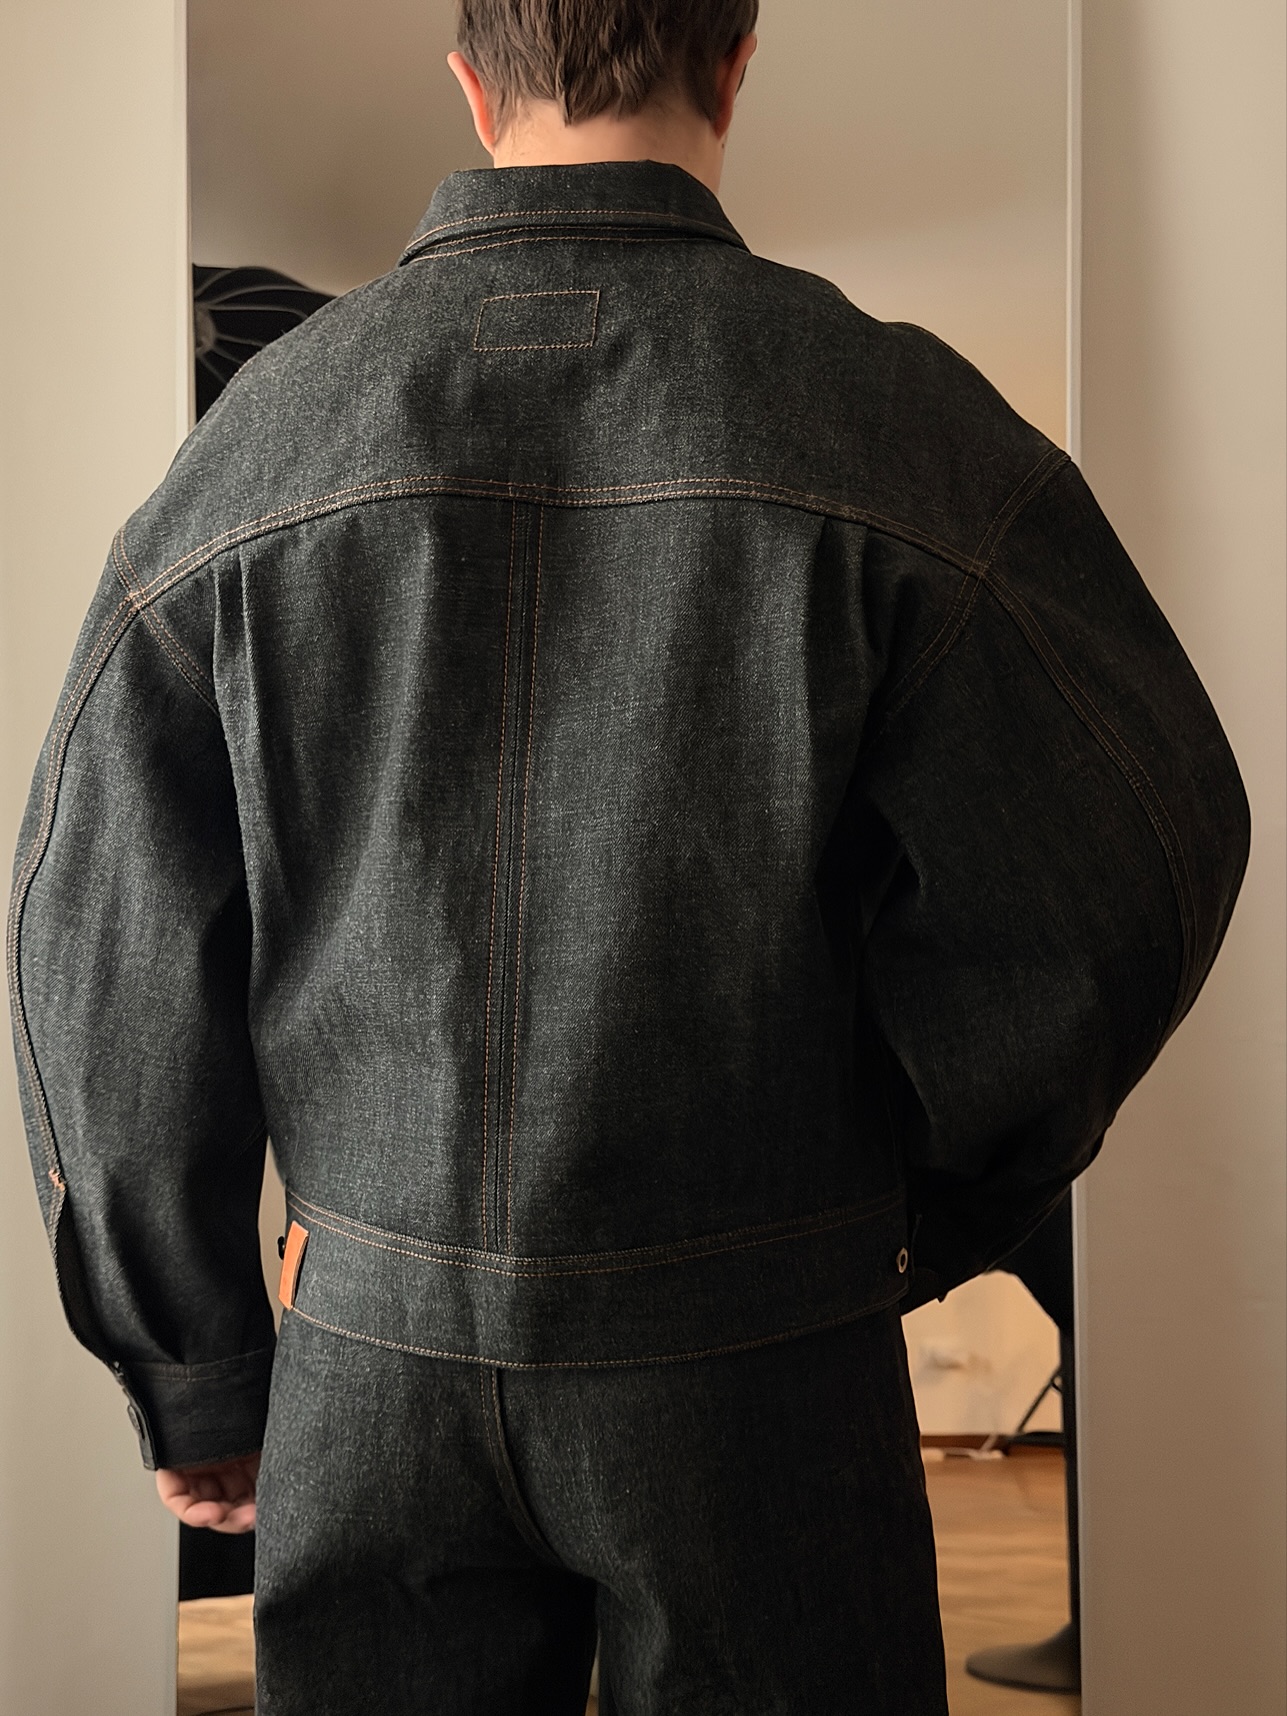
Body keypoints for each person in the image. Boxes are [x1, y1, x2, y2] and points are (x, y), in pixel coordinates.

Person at [8, 3, 1249, 1711]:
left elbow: (101, 943)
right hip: (762, 1350)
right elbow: (1134, 855)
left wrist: (192, 1355)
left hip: (374, 1356)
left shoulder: (256, 442)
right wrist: (926, 1203)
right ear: (736, 62)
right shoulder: (898, 424)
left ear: (470, 82)